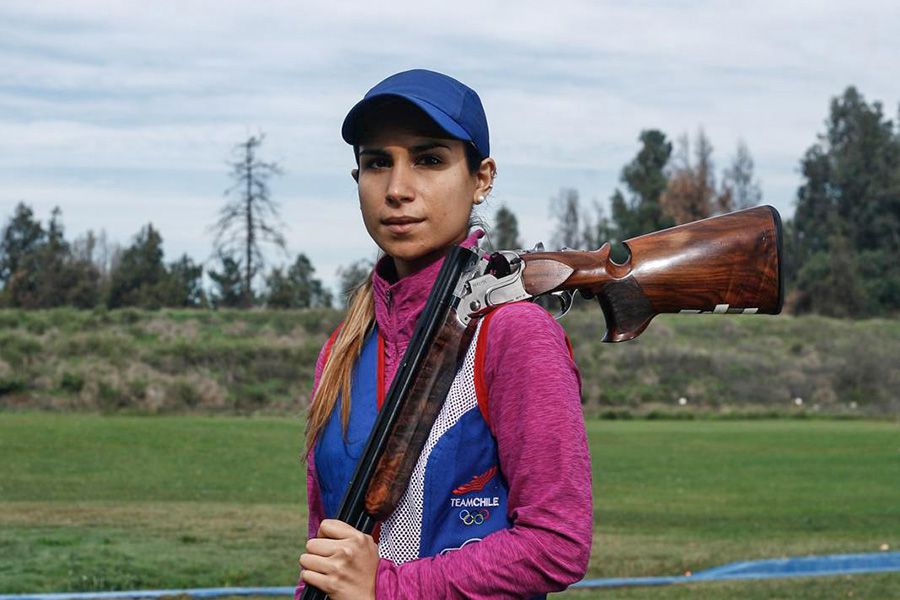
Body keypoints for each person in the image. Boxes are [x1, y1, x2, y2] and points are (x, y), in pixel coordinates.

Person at [296, 69, 592, 599]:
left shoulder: (514, 333)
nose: (397, 190)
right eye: (376, 163)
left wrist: (388, 589)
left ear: (481, 178)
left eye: (429, 160)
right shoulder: (341, 349)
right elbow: (328, 554)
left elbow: (556, 543)